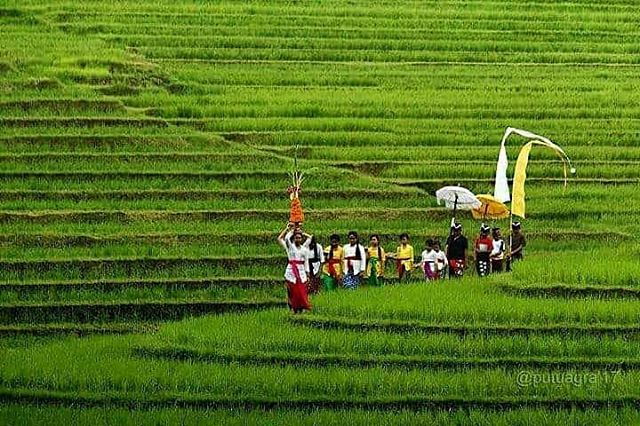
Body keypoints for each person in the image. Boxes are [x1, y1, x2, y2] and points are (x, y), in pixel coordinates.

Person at [277, 222, 311, 313]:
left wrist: (300, 231)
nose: (298, 239)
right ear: (294, 238)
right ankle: (292, 308)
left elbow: (306, 263)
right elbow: (286, 238)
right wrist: (291, 229)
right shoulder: (290, 247)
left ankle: (301, 308)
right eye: (296, 237)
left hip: (301, 272)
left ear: (301, 239)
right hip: (291, 271)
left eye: (299, 238)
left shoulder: (304, 249)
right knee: (291, 290)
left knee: (301, 290)